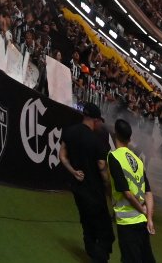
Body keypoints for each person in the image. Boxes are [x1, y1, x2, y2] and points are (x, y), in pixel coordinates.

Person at [60, 102, 115, 263]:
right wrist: (109, 191)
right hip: (94, 192)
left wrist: (73, 172)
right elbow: (102, 168)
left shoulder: (69, 132)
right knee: (106, 234)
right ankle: (98, 258)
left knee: (87, 223)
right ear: (96, 120)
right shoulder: (97, 141)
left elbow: (62, 155)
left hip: (77, 188)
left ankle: (91, 252)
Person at [107, 119, 156, 263]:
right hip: (142, 220)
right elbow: (148, 192)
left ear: (115, 134)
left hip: (127, 222)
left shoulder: (114, 156)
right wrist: (149, 218)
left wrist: (142, 211)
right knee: (146, 258)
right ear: (130, 139)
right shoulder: (138, 160)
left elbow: (126, 193)